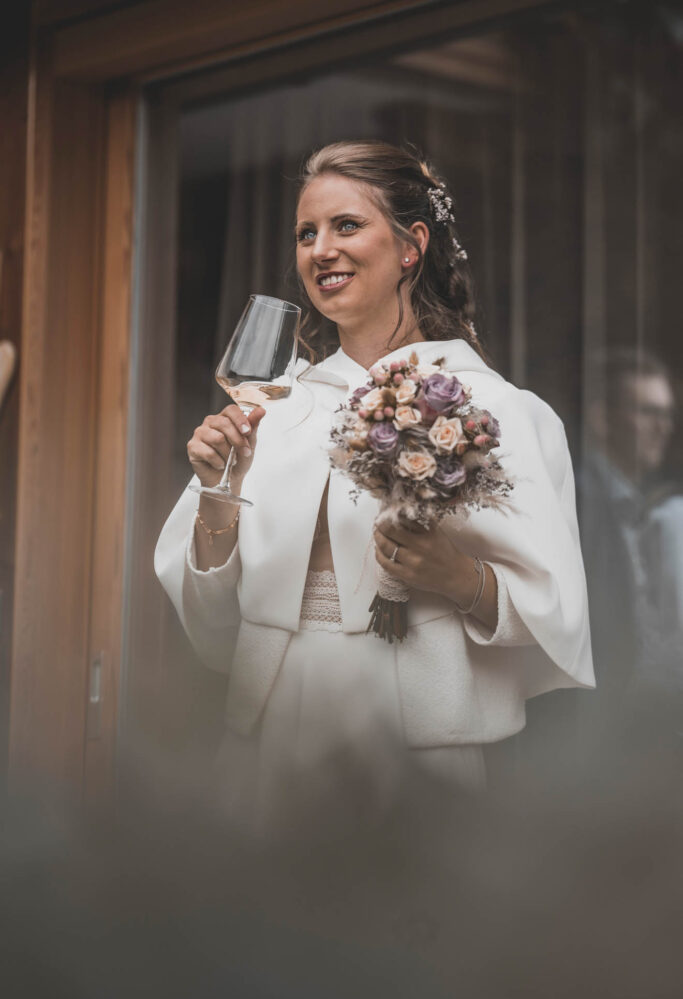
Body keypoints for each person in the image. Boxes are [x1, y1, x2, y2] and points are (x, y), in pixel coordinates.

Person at [155, 141, 594, 826]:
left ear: (411, 245)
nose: (320, 250)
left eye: (346, 225)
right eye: (306, 233)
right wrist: (218, 495)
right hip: (272, 715)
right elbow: (211, 620)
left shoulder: (495, 408)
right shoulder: (275, 407)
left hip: (415, 726)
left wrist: (458, 578)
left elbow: (555, 609)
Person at [579, 349, 681, 733]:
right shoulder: (583, 499)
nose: (663, 427)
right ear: (603, 419)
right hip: (597, 725)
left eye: (667, 415)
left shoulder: (633, 504)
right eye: (648, 412)